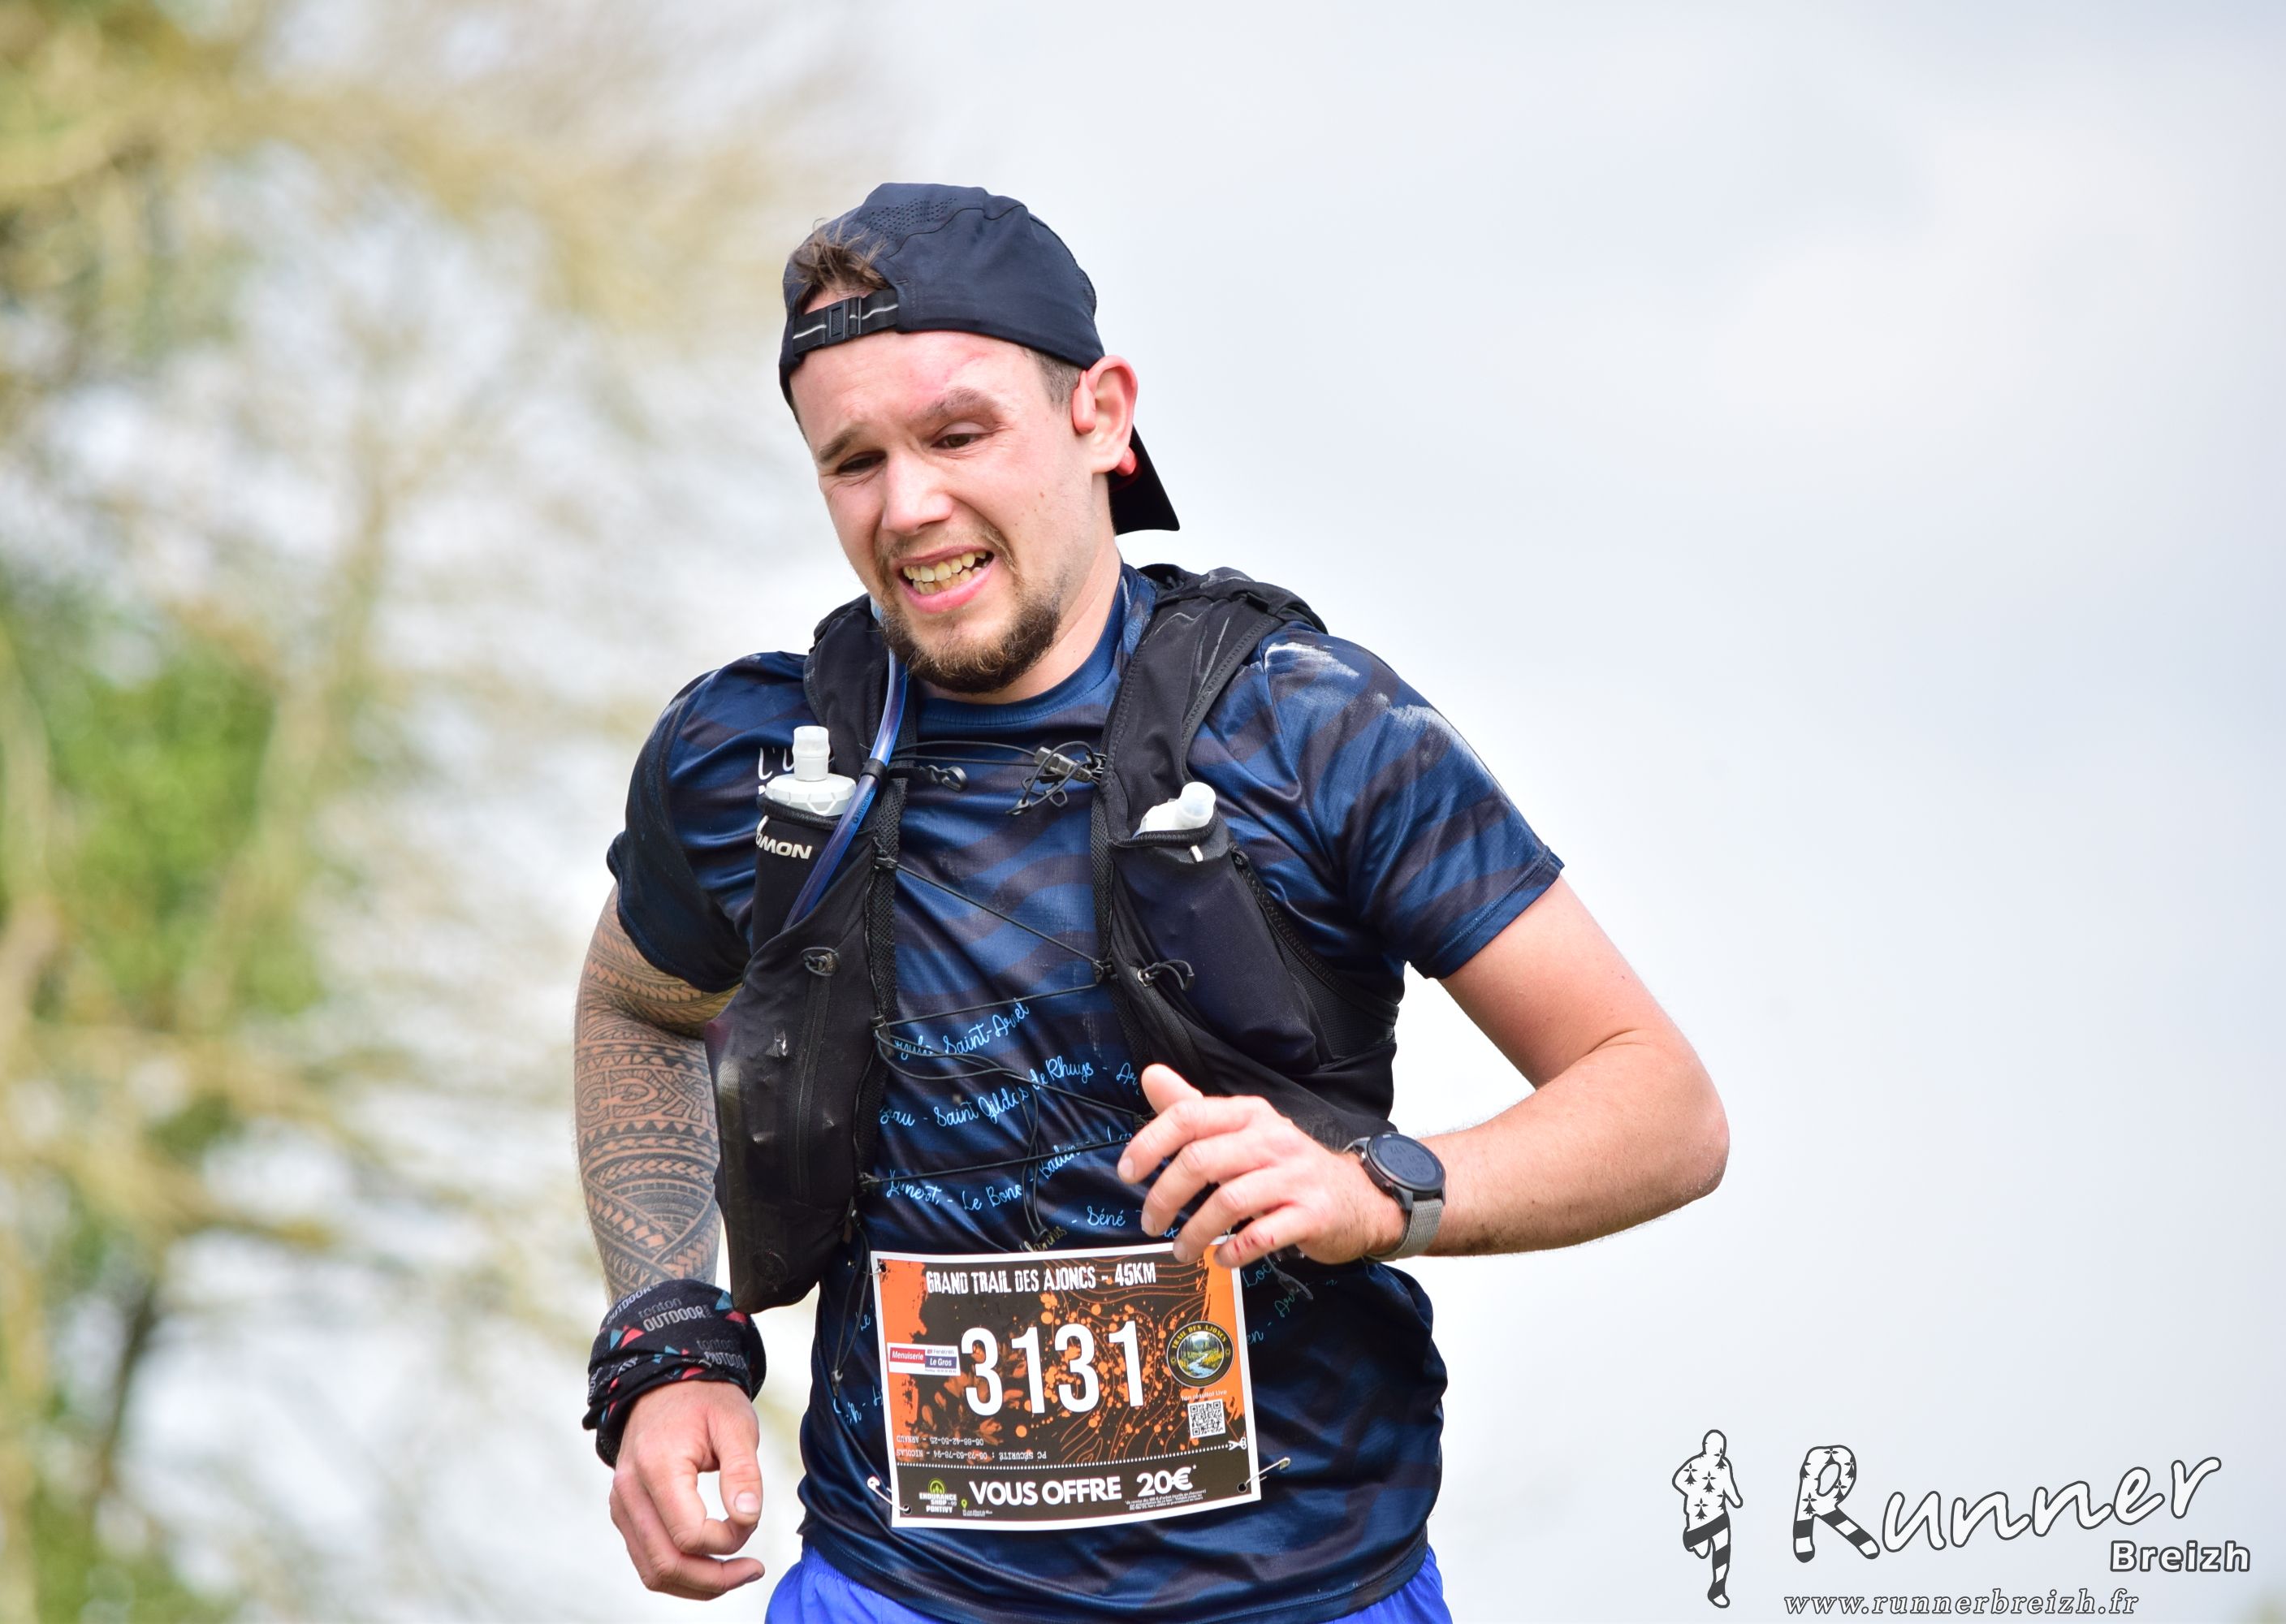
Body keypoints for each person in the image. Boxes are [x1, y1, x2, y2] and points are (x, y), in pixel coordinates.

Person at [573, 182, 1728, 1624]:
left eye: (958, 434)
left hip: (1312, 1595)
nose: (909, 505)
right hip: (898, 1591)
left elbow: (1662, 1106)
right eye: (853, 461)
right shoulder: (753, 757)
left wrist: (1380, 1189)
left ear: (1102, 416)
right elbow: (636, 1008)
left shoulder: (1313, 730)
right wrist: (668, 1338)